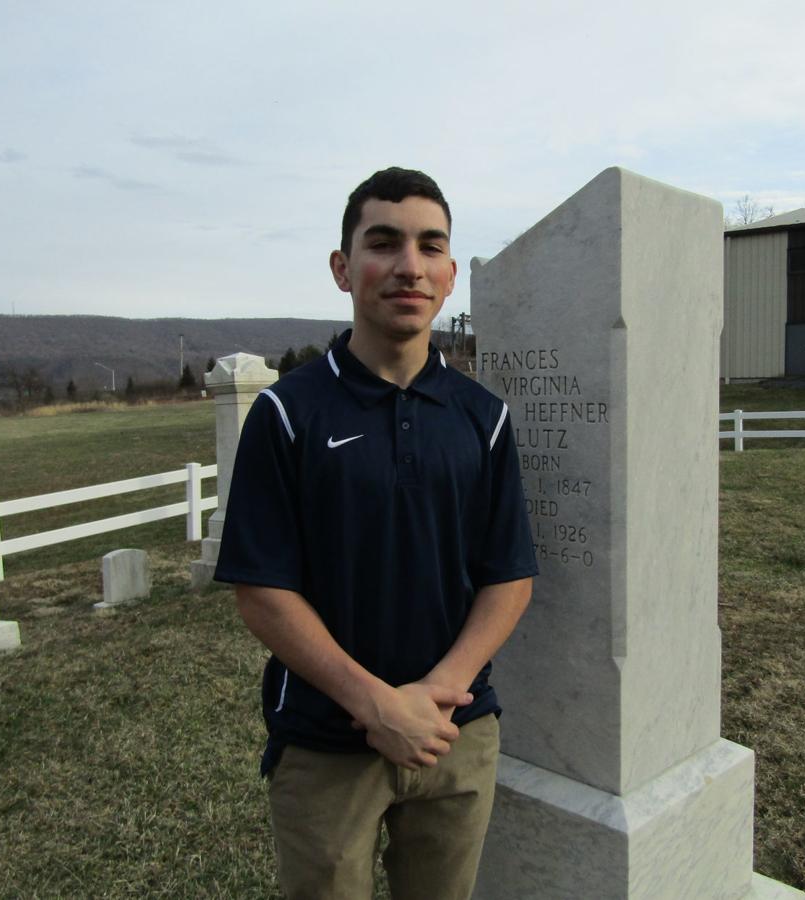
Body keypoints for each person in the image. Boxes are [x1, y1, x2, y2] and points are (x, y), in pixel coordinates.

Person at [214, 167, 536, 899]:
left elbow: (508, 575)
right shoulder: (289, 414)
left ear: (451, 275)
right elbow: (263, 592)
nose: (408, 266)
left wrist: (437, 692)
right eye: (383, 243)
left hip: (455, 733)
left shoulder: (483, 417)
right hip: (328, 743)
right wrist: (377, 705)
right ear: (342, 267)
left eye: (430, 247)